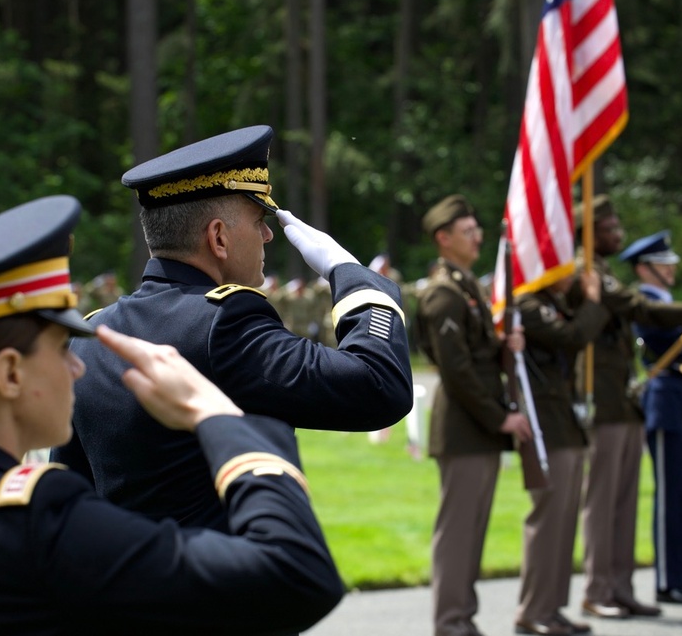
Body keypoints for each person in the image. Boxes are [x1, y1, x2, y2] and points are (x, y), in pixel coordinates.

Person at [0, 195, 343, 635]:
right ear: (9, 373)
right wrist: (219, 418)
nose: (77, 365)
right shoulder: (34, 520)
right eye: (61, 348)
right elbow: (293, 576)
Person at [52, 125, 413, 529]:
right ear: (218, 238)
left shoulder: (90, 337)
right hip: (222, 583)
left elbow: (71, 500)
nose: (267, 235)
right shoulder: (226, 323)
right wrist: (355, 277)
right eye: (259, 219)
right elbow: (379, 386)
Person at [569, 196, 682, 621]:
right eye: (609, 227)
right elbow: (637, 308)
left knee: (624, 503)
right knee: (603, 503)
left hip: (624, 402)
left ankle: (621, 587)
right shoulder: (583, 271)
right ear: (589, 232)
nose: (618, 233)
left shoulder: (602, 272)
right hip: (602, 401)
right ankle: (597, 588)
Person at [415, 194, 531, 636]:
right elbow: (457, 369)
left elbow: (476, 354)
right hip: (466, 425)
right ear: (444, 239)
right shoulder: (444, 293)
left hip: (476, 427)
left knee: (473, 531)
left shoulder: (466, 287)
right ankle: (451, 622)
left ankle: (462, 618)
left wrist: (504, 347)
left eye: (477, 229)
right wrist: (499, 418)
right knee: (459, 532)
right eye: (468, 231)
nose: (478, 236)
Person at [619, 230, 682, 606]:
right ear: (645, 268)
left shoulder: (665, 301)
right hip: (663, 401)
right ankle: (667, 579)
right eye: (663, 264)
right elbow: (656, 328)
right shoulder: (644, 301)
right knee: (670, 495)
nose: (671, 269)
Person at [512, 271, 609, 636]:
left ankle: (551, 608)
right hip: (545, 424)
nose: (571, 270)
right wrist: (594, 300)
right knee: (549, 517)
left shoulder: (554, 303)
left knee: (564, 521)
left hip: (563, 421)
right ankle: (534, 608)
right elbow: (572, 337)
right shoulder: (528, 305)